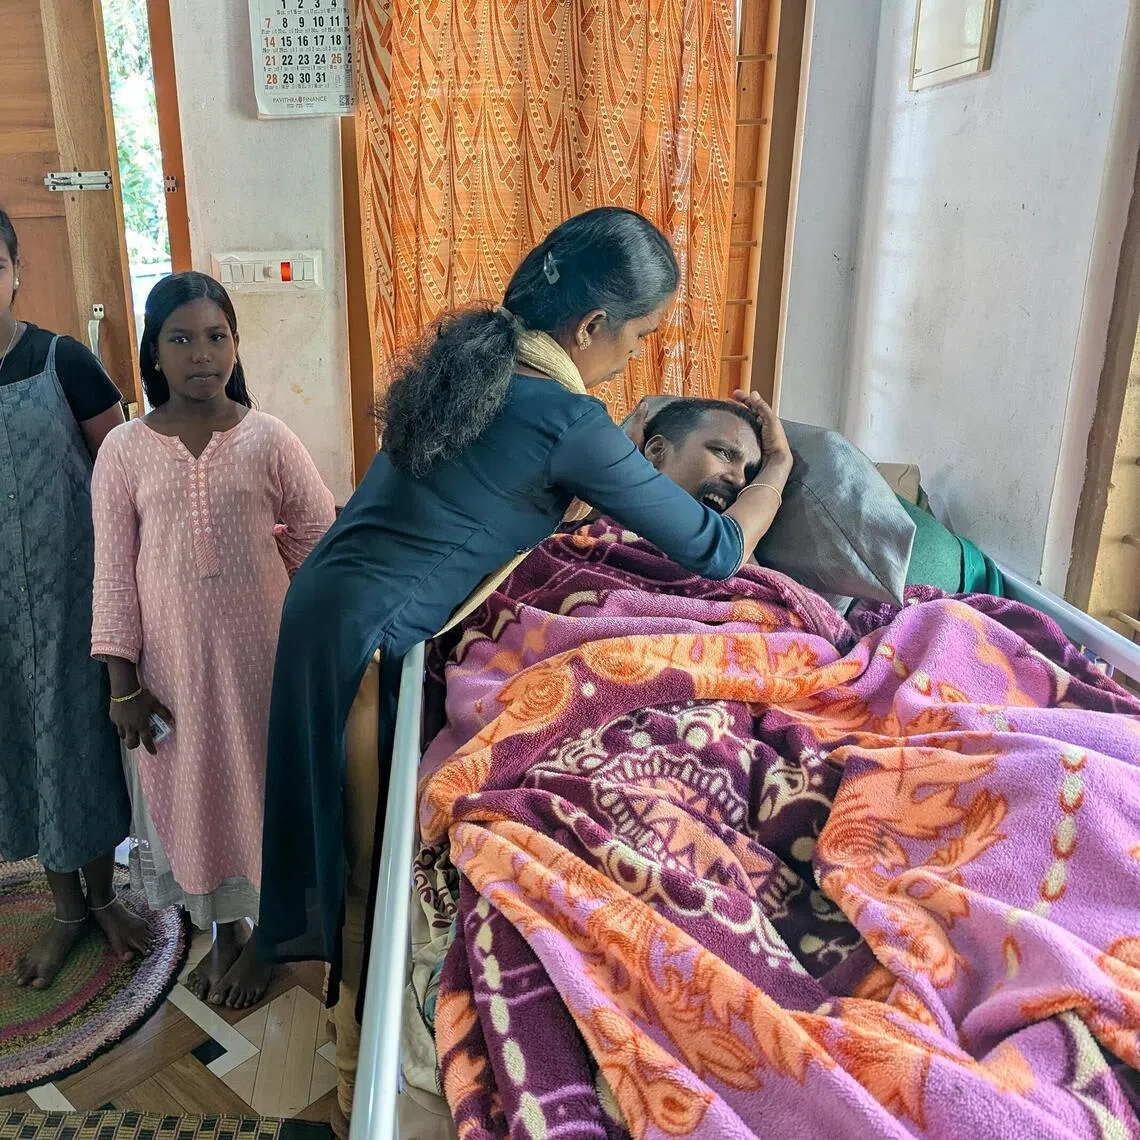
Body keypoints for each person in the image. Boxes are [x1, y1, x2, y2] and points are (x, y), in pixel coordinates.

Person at [258, 206, 793, 1132]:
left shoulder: (482, 359)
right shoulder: (568, 418)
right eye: (639, 335)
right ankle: (352, 1083)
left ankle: (342, 1055)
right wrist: (777, 468)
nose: (635, 357)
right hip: (371, 642)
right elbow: (714, 552)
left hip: (329, 605)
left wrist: (615, 439)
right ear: (591, 329)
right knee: (363, 864)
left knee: (340, 839)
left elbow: (528, 474)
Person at [91, 271, 335, 1010]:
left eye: (218, 336)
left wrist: (324, 655)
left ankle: (267, 939)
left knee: (265, 793)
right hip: (172, 677)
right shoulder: (126, 450)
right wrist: (123, 684)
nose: (203, 353)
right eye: (183, 338)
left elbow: (319, 544)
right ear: (154, 353)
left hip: (263, 666)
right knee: (196, 799)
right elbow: (113, 573)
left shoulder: (267, 437)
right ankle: (224, 931)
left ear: (236, 344)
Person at [0, 207, 153, 989]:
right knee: (21, 753)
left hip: (70, 606)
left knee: (76, 750)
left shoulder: (64, 362)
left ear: (16, 270)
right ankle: (66, 912)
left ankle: (101, 901)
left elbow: (126, 477)